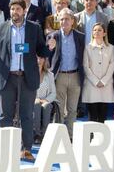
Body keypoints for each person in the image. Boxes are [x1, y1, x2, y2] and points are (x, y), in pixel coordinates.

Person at [0, 0, 47, 161]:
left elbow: (41, 50)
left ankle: (26, 150)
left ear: (24, 11)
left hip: (27, 78)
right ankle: (4, 150)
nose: (14, 12)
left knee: (26, 116)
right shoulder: (1, 28)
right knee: (5, 116)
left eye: (18, 9)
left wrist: (50, 47)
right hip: (7, 78)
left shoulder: (34, 28)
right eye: (12, 9)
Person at [48, 8, 85, 139]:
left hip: (75, 76)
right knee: (58, 108)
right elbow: (47, 57)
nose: (64, 21)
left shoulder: (80, 36)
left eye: (67, 19)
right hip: (60, 76)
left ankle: (70, 136)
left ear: (72, 21)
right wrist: (50, 48)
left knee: (72, 109)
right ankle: (58, 136)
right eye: (62, 19)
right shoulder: (53, 36)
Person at [82, 23, 114, 123]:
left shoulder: (111, 48)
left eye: (99, 30)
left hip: (106, 85)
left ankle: (101, 138)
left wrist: (104, 81)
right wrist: (96, 81)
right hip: (92, 86)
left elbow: (112, 65)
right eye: (95, 30)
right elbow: (86, 66)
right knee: (92, 116)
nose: (97, 32)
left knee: (102, 117)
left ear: (104, 33)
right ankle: (91, 137)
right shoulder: (88, 48)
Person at [33, 56, 56, 144]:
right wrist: (35, 99)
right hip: (33, 100)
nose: (39, 60)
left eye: (41, 58)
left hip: (46, 100)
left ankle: (45, 134)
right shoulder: (29, 74)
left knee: (46, 106)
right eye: (37, 58)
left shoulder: (50, 75)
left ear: (45, 60)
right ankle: (37, 134)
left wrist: (46, 100)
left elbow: (53, 93)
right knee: (36, 105)